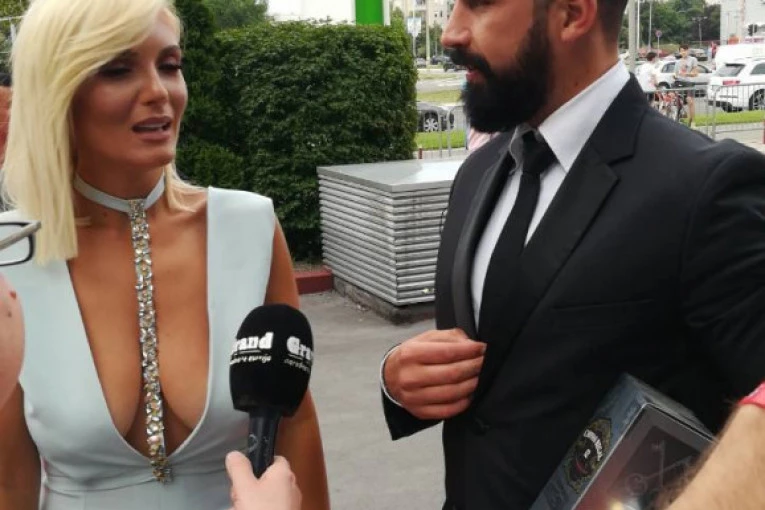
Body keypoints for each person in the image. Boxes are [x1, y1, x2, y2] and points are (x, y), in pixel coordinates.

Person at [379, 0, 765, 508]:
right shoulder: (478, 173)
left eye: (479, 4)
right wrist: (399, 381)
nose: (451, 32)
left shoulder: (704, 188)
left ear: (572, 14)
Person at [0, 1, 330, 509]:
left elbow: (295, 424)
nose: (159, 92)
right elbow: (9, 483)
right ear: (56, 91)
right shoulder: (10, 256)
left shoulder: (250, 227)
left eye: (170, 65)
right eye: (117, 69)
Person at [674, 43, 699, 127]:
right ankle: (677, 119)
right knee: (675, 100)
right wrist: (674, 76)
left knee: (690, 101)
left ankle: (692, 122)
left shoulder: (693, 59)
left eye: (685, 50)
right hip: (679, 82)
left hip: (688, 82)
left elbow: (696, 73)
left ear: (688, 51)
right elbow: (675, 74)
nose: (683, 52)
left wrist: (687, 74)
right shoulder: (677, 62)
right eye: (681, 51)